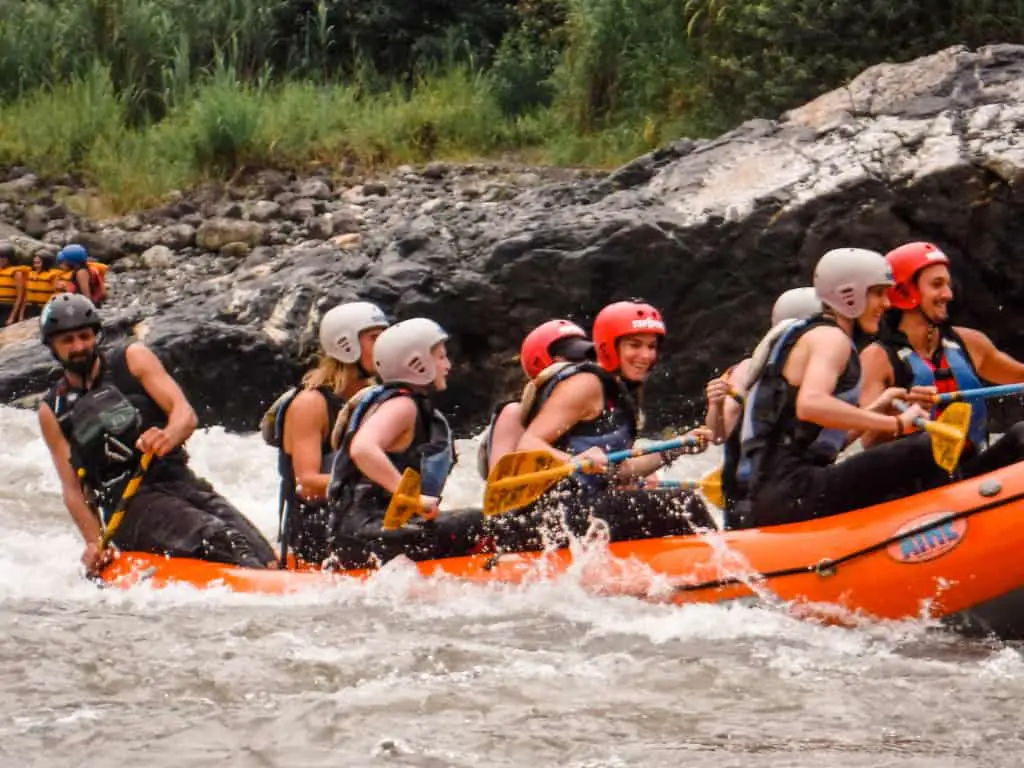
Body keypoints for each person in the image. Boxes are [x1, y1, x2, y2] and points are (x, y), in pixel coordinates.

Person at [37, 294, 276, 573]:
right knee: (222, 541)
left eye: (84, 336)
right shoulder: (52, 411)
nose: (78, 346)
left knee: (264, 554)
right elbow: (74, 490)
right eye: (67, 341)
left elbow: (184, 414)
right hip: (130, 506)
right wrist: (96, 543)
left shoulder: (132, 359)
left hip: (181, 483)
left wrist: (168, 435)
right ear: (52, 346)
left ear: (96, 335)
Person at [725, 247, 952, 530]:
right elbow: (812, 405)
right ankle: (945, 532)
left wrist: (877, 406)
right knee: (922, 448)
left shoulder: (814, 335)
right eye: (878, 293)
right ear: (850, 294)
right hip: (792, 490)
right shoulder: (832, 339)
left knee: (894, 462)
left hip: (775, 493)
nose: (887, 304)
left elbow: (819, 441)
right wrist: (893, 423)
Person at [497, 300, 714, 549]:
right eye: (635, 345)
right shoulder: (586, 385)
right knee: (684, 502)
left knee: (666, 504)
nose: (646, 355)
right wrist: (573, 461)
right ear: (609, 347)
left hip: (589, 506)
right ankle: (729, 570)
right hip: (551, 514)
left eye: (652, 347)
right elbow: (528, 445)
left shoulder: (623, 393)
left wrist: (676, 448)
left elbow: (620, 472)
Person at [326, 318, 486, 568]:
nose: (448, 365)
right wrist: (412, 497)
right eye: (441, 357)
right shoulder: (402, 406)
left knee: (468, 519)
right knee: (481, 521)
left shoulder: (399, 402)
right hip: (364, 534)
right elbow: (363, 448)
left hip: (361, 532)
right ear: (416, 363)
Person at [859, 241, 1024, 475]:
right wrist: (900, 415)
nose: (948, 294)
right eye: (937, 285)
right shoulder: (877, 358)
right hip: (918, 483)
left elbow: (1019, 377)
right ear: (905, 292)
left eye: (947, 284)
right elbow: (868, 441)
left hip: (974, 472)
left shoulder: (969, 342)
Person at [262, 301, 389, 566]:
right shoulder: (311, 404)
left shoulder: (377, 400)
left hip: (362, 516)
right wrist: (374, 481)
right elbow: (306, 483)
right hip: (317, 527)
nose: (386, 346)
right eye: (375, 338)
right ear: (346, 344)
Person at [477, 319, 596, 479]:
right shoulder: (515, 414)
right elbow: (500, 484)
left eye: (587, 359)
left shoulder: (586, 411)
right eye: (574, 360)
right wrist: (572, 462)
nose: (585, 367)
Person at [705, 286, 822, 444]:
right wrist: (716, 405)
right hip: (758, 461)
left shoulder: (833, 367)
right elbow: (718, 436)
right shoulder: (747, 371)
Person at [21, 252, 63, 320]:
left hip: (44, 307)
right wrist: (21, 314)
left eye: (38, 263)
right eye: (34, 263)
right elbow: (26, 297)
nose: (35, 265)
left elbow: (56, 294)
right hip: (30, 308)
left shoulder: (52, 276)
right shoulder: (30, 274)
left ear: (46, 263)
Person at [0, 243, 28, 326]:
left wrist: (12, 317)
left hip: (8, 308)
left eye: (3, 257)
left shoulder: (16, 273)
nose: (0, 260)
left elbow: (20, 297)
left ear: (9, 259)